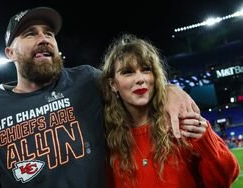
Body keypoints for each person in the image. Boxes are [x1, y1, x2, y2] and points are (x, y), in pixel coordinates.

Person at [0, 7, 200, 188]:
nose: (44, 38)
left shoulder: (87, 80)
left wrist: (169, 90)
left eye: (49, 33)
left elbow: (133, 83)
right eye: (30, 34)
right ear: (9, 53)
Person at [101, 34, 240, 188]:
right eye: (128, 72)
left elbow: (223, 180)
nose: (140, 79)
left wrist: (206, 140)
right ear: (113, 84)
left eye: (146, 69)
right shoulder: (107, 140)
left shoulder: (182, 121)